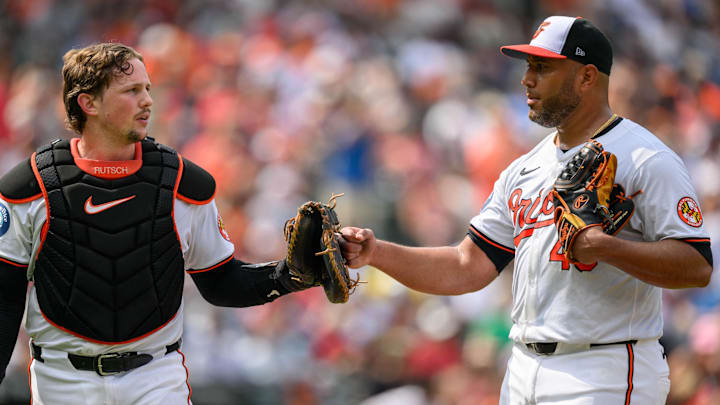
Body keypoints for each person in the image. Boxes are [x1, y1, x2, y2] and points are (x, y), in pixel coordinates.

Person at [340, 16, 713, 404]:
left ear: (587, 77)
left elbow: (697, 265)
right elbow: (468, 265)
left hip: (604, 367)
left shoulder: (646, 158)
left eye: (543, 67)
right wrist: (376, 253)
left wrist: (604, 247)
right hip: (521, 368)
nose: (527, 80)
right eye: (528, 66)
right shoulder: (523, 170)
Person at [0, 42, 319, 404]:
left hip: (154, 378)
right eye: (132, 91)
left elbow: (219, 280)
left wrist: (287, 276)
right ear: (89, 104)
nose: (147, 100)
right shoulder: (31, 186)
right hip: (62, 380)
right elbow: (4, 296)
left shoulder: (183, 182)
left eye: (147, 88)